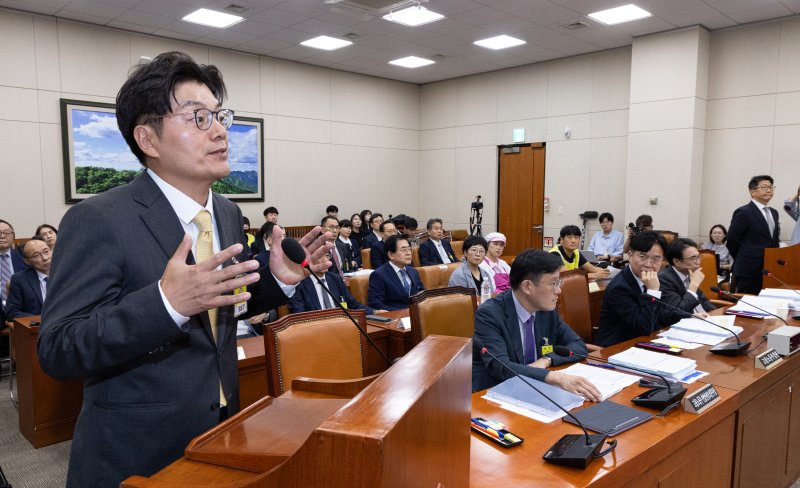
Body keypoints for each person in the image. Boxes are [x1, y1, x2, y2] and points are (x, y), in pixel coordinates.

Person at [36, 52, 332, 487]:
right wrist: (166, 303)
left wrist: (276, 282)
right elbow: (59, 349)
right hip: (137, 451)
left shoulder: (226, 212)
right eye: (198, 118)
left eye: (220, 116)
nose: (220, 131)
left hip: (221, 431)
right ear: (148, 139)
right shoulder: (98, 219)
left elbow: (219, 309)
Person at [471, 249, 601, 400]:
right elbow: (501, 367)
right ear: (527, 286)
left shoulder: (546, 310)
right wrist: (555, 377)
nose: (559, 291)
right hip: (496, 394)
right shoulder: (490, 314)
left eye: (558, 282)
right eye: (553, 283)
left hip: (536, 389)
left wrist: (546, 360)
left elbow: (578, 346)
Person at [595, 231, 677, 347]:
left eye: (656, 259)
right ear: (630, 255)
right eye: (643, 257)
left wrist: (690, 316)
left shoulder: (652, 279)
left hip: (644, 343)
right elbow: (644, 327)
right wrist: (653, 292)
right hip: (617, 348)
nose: (648, 264)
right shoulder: (619, 288)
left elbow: (664, 313)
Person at [727, 175, 780, 294]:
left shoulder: (774, 213)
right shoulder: (744, 212)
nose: (769, 190)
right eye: (764, 187)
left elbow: (774, 240)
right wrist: (744, 256)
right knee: (748, 301)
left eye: (771, 187)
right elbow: (731, 240)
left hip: (770, 269)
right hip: (749, 269)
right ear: (752, 191)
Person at [659, 238, 716, 323]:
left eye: (699, 257)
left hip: (704, 320)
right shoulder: (664, 279)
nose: (698, 262)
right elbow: (676, 312)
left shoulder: (689, 272)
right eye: (693, 258)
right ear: (677, 261)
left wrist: (717, 316)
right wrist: (693, 286)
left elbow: (704, 302)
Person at [368, 235, 424, 311]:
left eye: (409, 249)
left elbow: (422, 294)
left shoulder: (413, 271)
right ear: (391, 255)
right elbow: (375, 304)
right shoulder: (379, 275)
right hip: (397, 315)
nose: (408, 253)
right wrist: (403, 312)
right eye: (403, 250)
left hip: (418, 313)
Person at [288, 270, 375, 314]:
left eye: (327, 255)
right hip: (315, 330)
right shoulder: (298, 283)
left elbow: (353, 304)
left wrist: (374, 312)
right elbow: (299, 315)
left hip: (342, 324)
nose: (325, 260)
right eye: (320, 256)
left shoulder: (335, 279)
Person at [5, 237, 50, 319]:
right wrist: (40, 320)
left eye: (46, 251)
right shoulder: (19, 280)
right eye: (36, 255)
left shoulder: (67, 273)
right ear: (27, 261)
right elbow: (11, 312)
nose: (45, 258)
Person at [0, 219, 27, 305]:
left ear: (13, 236)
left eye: (6, 232)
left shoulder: (25, 258)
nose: (2, 236)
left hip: (21, 306)